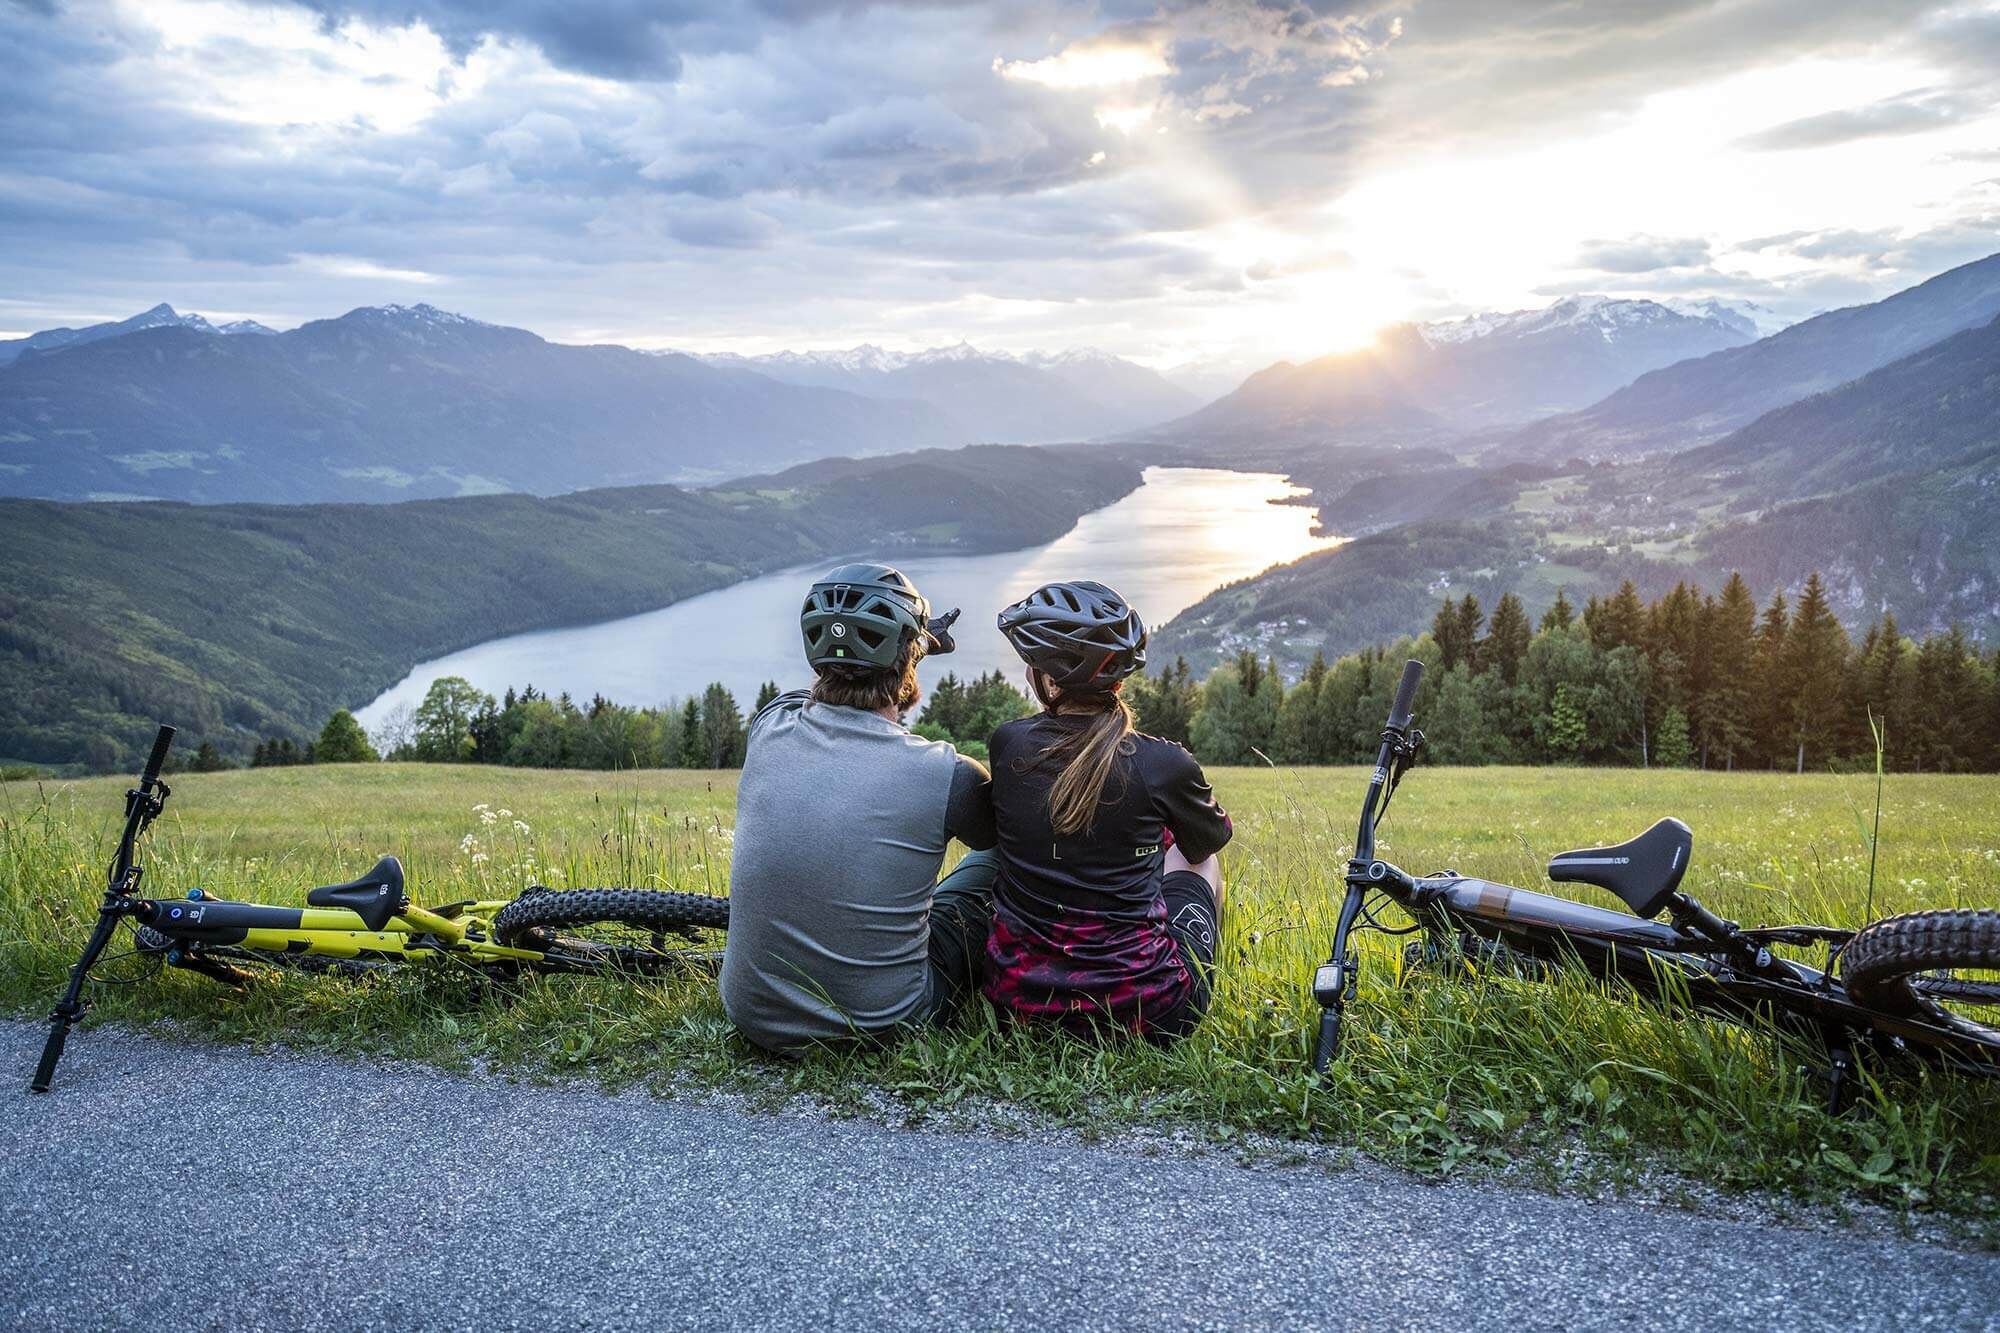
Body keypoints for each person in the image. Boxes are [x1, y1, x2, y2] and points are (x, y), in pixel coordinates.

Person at [720, 562, 999, 1053]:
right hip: (884, 1026)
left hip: (753, 1016)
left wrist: (904, 648)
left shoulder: (768, 730)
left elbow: (808, 698)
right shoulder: (946, 774)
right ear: (909, 659)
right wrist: (916, 647)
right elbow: (997, 839)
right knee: (993, 865)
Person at [982, 579, 1232, 1042]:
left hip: (1019, 1009)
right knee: (1199, 857)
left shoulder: (1008, 744)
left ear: (1049, 679)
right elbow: (1208, 842)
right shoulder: (1165, 763)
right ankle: (1217, 973)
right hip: (1152, 1013)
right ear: (1118, 677)